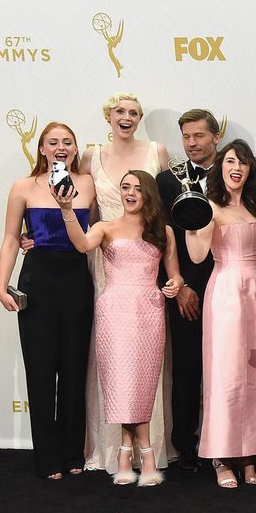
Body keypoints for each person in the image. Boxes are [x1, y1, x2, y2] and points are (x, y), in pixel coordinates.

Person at [54, 170, 183, 486]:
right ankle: (144, 453)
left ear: (148, 194)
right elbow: (83, 245)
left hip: (149, 310)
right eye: (125, 187)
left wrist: (174, 286)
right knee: (121, 383)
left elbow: (175, 275)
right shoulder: (105, 227)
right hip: (115, 312)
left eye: (137, 188)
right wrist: (68, 210)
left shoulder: (163, 231)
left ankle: (128, 451)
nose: (130, 193)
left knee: (142, 383)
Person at [186, 139, 256, 488]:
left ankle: (249, 454)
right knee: (226, 374)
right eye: (231, 160)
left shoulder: (254, 206)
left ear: (250, 170)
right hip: (226, 294)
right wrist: (190, 221)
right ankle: (220, 456)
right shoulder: (209, 207)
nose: (237, 167)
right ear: (221, 167)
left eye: (243, 162)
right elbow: (198, 256)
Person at [0, 122, 96, 479]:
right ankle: (47, 457)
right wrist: (1, 284)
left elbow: (95, 232)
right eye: (52, 142)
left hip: (75, 280)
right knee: (40, 370)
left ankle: (73, 452)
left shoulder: (87, 184)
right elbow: (11, 238)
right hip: (37, 280)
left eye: (67, 142)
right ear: (41, 148)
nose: (60, 146)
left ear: (74, 148)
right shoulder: (23, 187)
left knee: (73, 369)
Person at [81, 92, 172, 473]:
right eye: (120, 111)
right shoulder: (90, 156)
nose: (127, 117)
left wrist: (174, 279)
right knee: (109, 362)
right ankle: (110, 450)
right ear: (109, 116)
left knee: (146, 364)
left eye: (134, 112)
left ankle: (149, 450)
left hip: (147, 267)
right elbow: (82, 213)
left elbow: (165, 211)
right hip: (106, 264)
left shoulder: (158, 151)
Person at [157, 109, 220, 471]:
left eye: (199, 136)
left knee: (225, 368)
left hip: (226, 287)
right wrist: (180, 285)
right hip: (183, 290)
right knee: (185, 370)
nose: (192, 143)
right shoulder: (165, 182)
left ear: (215, 136)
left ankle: (224, 443)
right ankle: (184, 446)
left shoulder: (232, 175)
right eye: (186, 137)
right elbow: (163, 240)